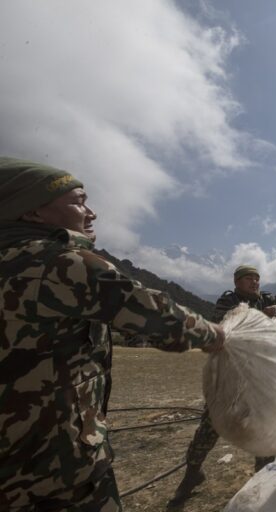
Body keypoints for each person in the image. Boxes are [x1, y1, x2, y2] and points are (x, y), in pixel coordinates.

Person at [0, 157, 226, 511]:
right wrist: (218, 336)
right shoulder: (59, 263)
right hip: (55, 469)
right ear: (32, 213)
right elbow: (160, 318)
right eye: (78, 201)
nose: (90, 212)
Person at [170, 265, 276, 505]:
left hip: (261, 376)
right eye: (249, 278)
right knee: (210, 426)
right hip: (231, 375)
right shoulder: (228, 299)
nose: (254, 282)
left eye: (257, 278)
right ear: (237, 282)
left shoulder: (269, 298)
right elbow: (229, 320)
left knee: (264, 427)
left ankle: (262, 482)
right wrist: (265, 315)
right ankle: (192, 474)